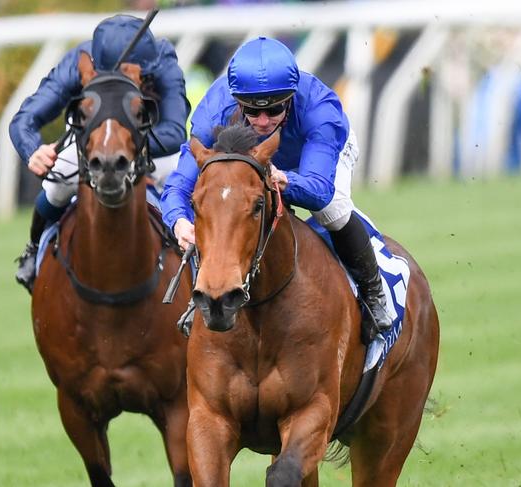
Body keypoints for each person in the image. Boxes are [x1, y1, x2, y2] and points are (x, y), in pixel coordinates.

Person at [161, 36, 391, 339]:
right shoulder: (214, 111)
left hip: (312, 160)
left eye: (275, 110)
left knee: (332, 211)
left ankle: (373, 292)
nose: (263, 121)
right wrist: (178, 221)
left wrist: (284, 180)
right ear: (237, 101)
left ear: (291, 98)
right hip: (253, 159)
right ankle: (204, 296)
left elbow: (320, 190)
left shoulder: (321, 111)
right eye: (253, 112)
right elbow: (180, 184)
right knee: (220, 211)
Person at [10, 14, 190, 293]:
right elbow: (25, 120)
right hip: (91, 142)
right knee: (57, 186)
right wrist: (33, 149)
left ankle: (204, 258)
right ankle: (33, 250)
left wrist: (127, 145)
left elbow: (175, 130)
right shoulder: (77, 62)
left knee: (193, 181)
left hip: (150, 142)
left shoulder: (162, 60)